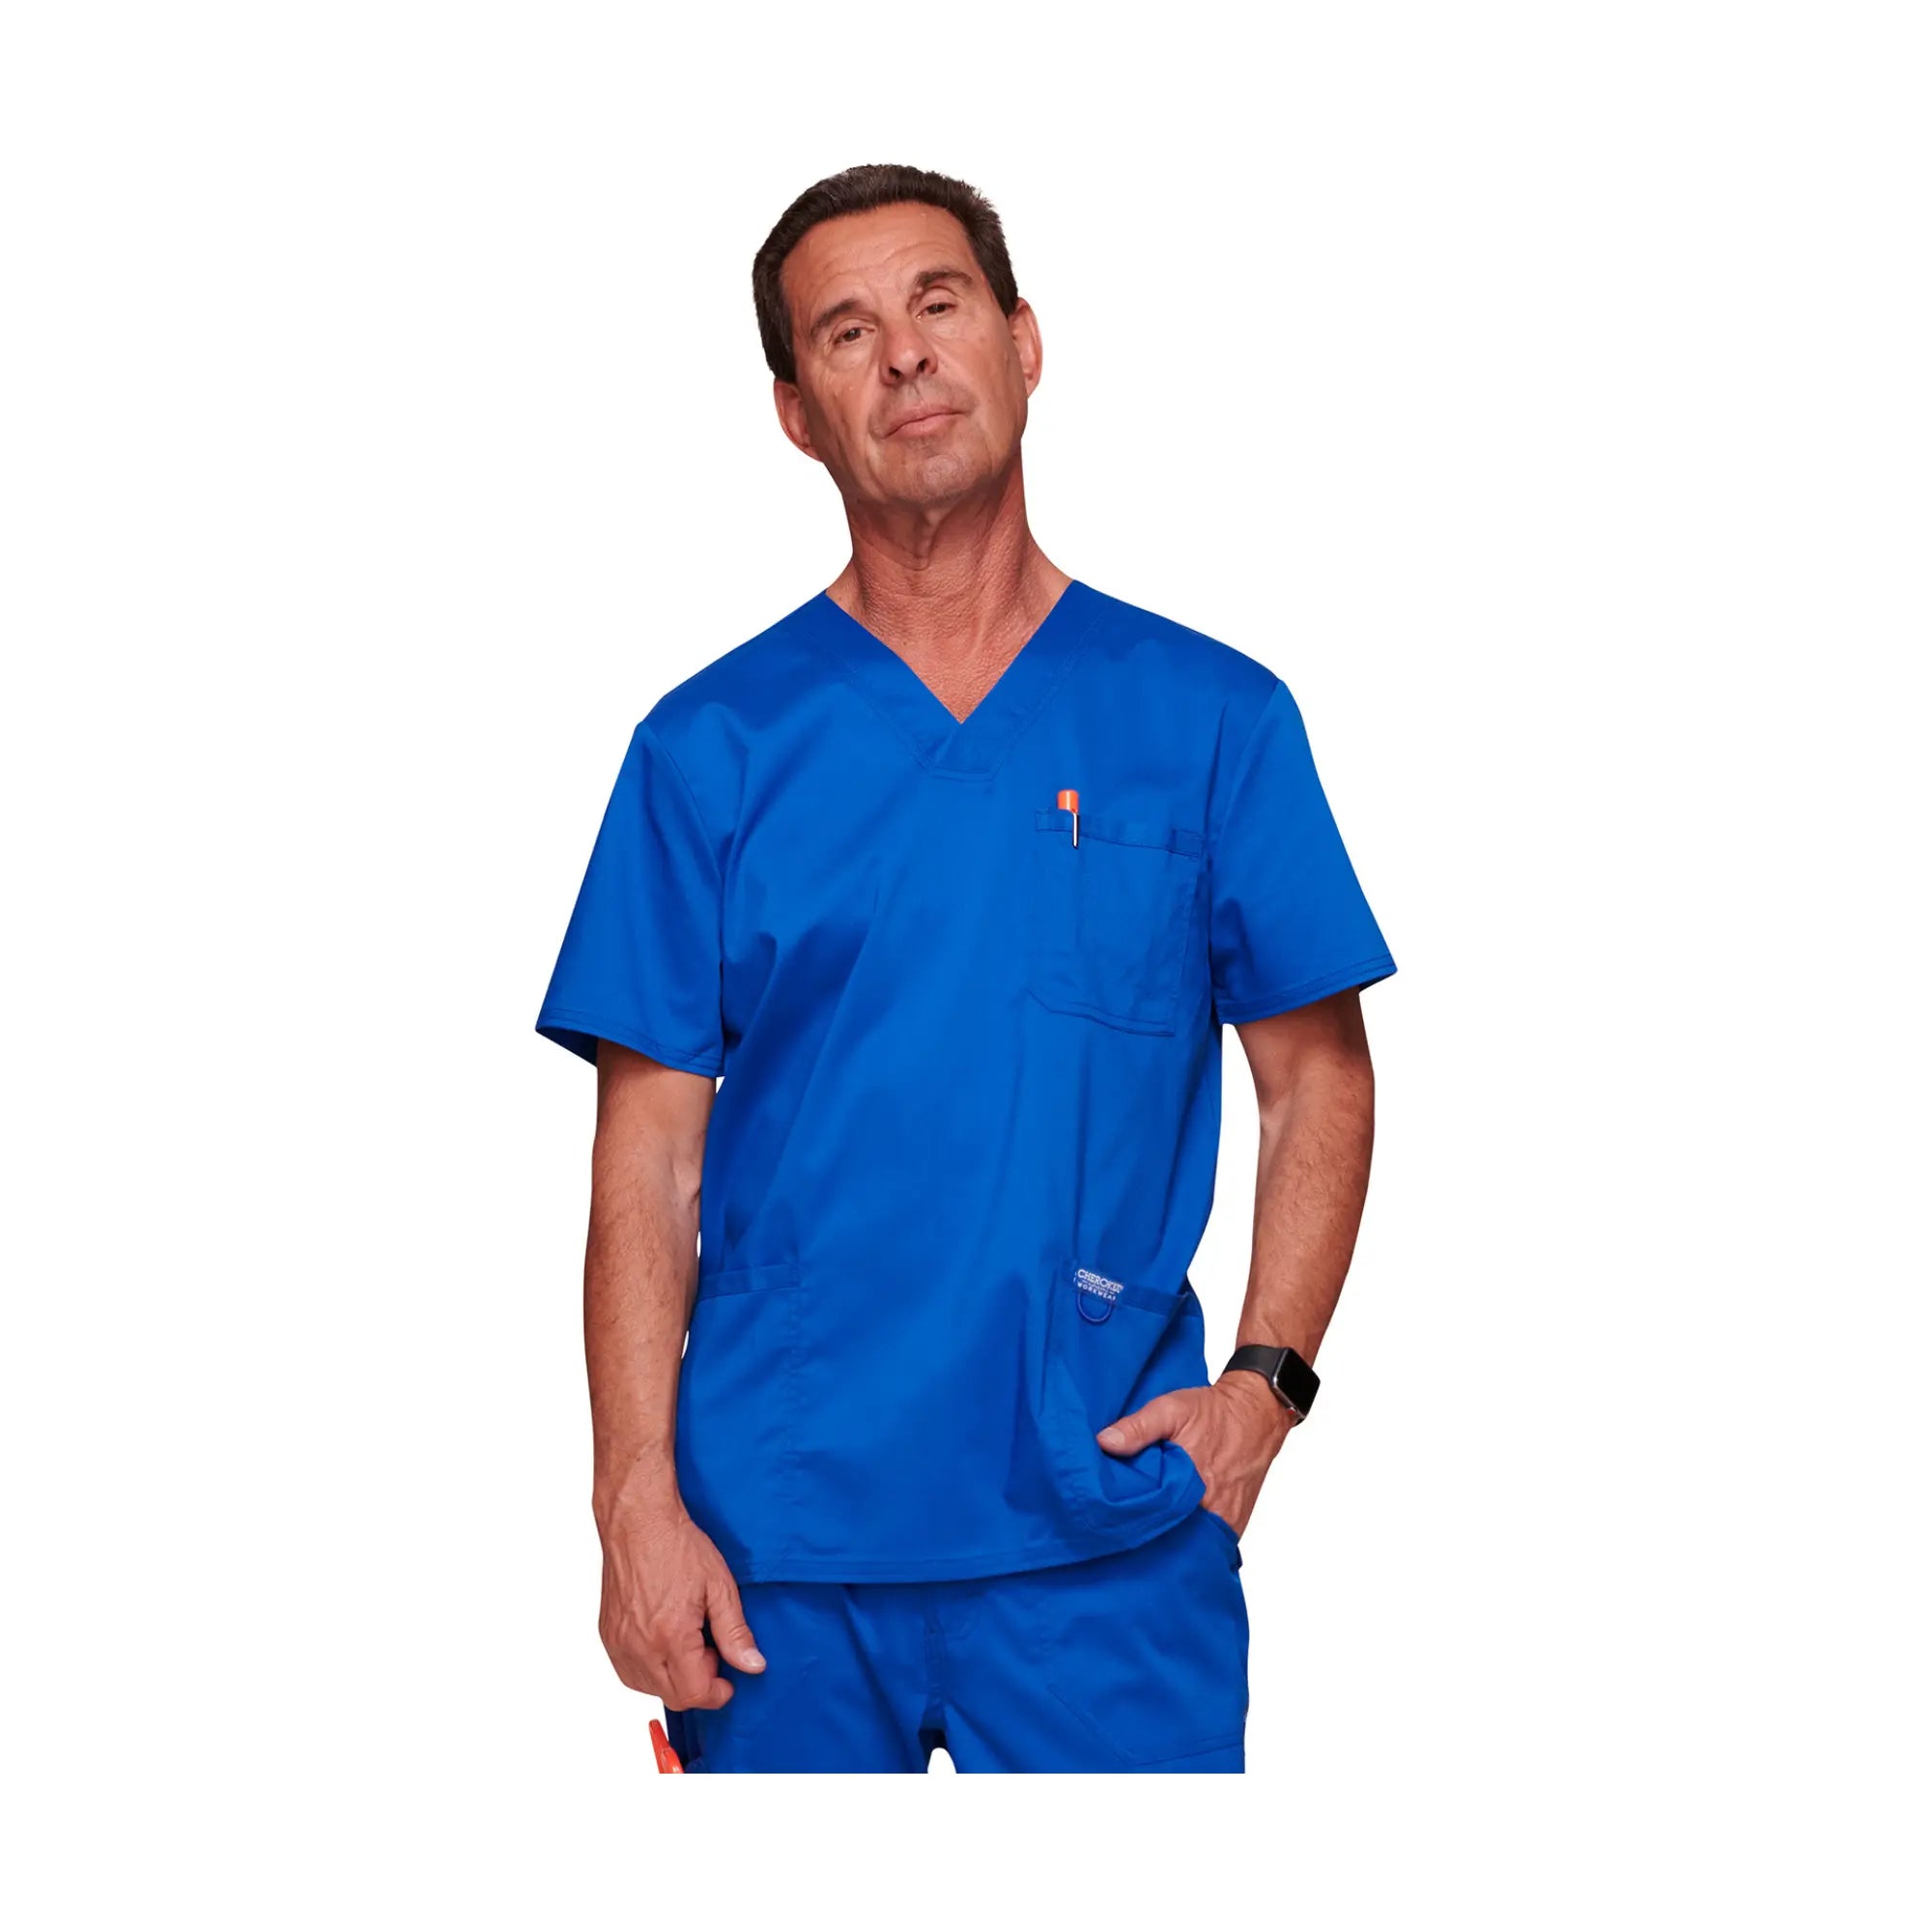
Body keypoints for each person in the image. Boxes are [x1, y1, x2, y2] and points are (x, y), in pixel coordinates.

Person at [534, 163, 1397, 1773]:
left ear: (1024, 341)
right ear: (797, 415)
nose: (907, 354)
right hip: (774, 1548)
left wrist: (1265, 1389)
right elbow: (645, 1159)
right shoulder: (708, 749)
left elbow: (1316, 1081)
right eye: (846, 332)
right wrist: (632, 1501)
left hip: (1108, 1531)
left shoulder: (1213, 718)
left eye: (939, 304)